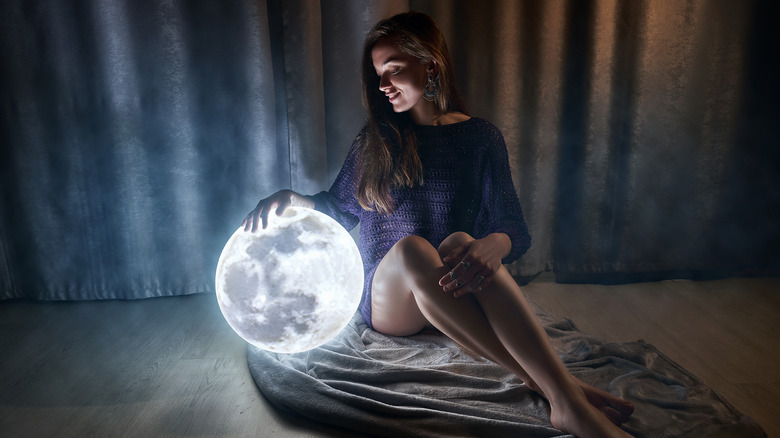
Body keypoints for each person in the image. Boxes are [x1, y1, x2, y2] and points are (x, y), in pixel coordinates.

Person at [243, 11, 634, 438]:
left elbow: (512, 227)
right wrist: (294, 199)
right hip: (392, 302)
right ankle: (562, 395)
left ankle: (564, 399)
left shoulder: (481, 138)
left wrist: (493, 245)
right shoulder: (376, 141)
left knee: (462, 241)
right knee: (413, 248)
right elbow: (336, 209)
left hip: (453, 293)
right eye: (378, 74)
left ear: (430, 65)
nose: (383, 85)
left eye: (393, 69)